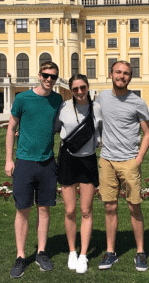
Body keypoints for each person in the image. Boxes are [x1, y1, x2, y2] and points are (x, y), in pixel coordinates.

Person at [5, 61, 63, 279]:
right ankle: (21, 256)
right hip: (25, 162)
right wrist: (8, 159)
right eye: (46, 75)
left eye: (53, 77)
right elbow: (11, 128)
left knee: (44, 209)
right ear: (39, 75)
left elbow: (62, 125)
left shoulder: (58, 100)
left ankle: (41, 252)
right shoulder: (22, 98)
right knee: (22, 209)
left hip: (48, 162)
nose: (49, 79)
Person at [95, 61, 149, 272]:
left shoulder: (138, 102)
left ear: (130, 77)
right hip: (107, 160)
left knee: (134, 207)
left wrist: (138, 160)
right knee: (109, 207)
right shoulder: (101, 98)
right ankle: (110, 252)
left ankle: (140, 252)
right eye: (118, 72)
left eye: (126, 73)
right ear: (111, 74)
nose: (122, 76)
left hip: (129, 161)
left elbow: (147, 133)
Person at [54, 74, 102, 274]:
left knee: (86, 211)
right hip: (68, 159)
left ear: (88, 87)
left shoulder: (97, 108)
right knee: (69, 210)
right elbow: (55, 130)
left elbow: (102, 134)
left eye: (83, 88)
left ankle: (83, 255)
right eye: (76, 89)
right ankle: (72, 251)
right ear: (71, 90)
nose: (80, 92)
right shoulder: (63, 107)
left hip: (88, 159)